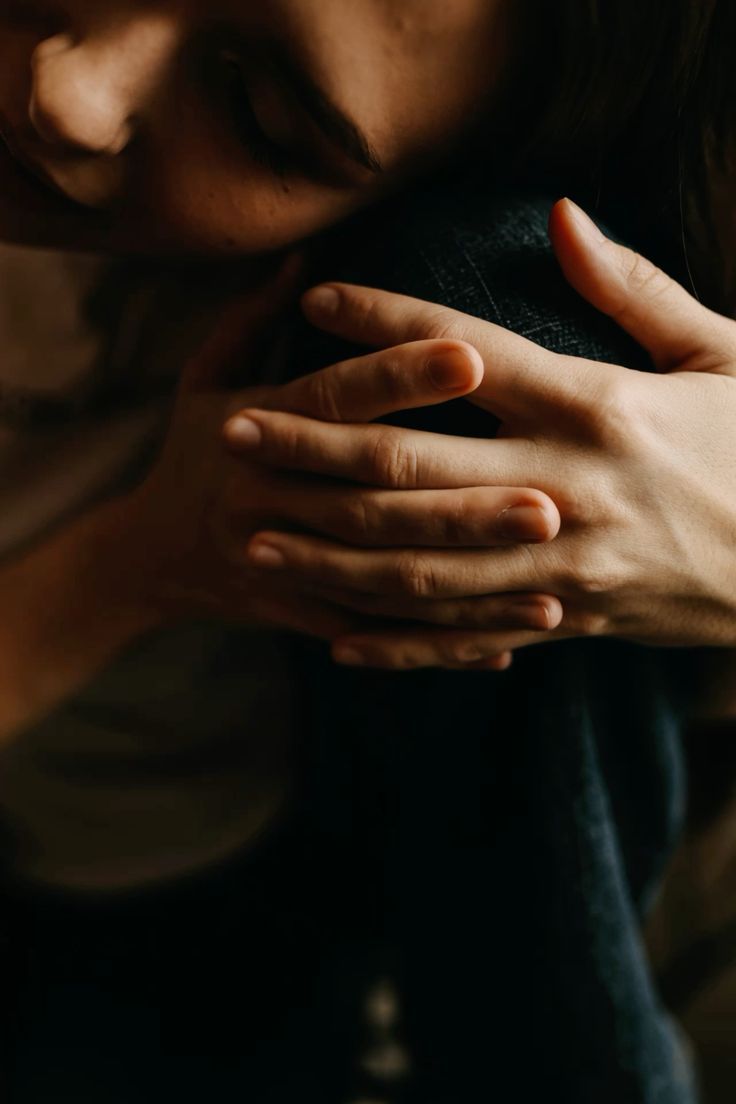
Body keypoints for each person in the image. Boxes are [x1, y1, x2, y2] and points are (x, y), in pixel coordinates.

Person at [0, 0, 734, 1100]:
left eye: (255, 111)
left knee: (490, 320)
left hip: (193, 890)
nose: (67, 95)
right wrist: (139, 561)